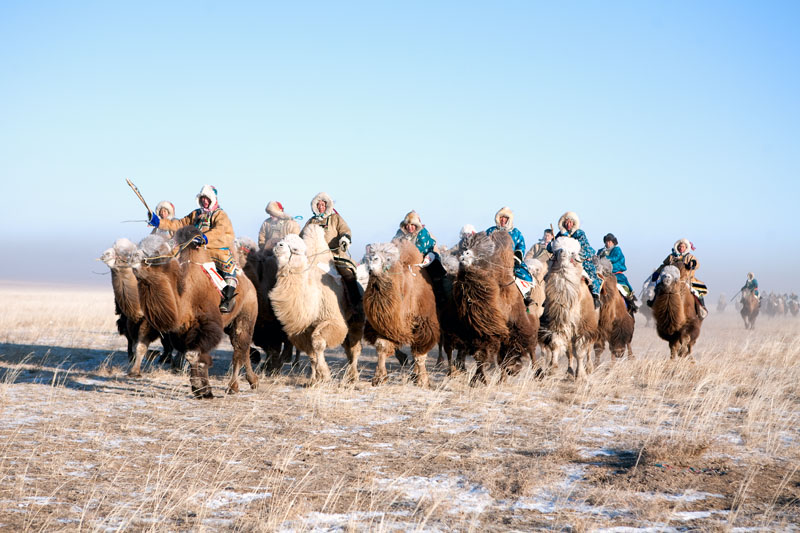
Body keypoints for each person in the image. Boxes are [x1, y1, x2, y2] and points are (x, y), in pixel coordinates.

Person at [148, 185, 239, 313]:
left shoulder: (220, 214)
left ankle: (228, 297)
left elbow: (220, 230)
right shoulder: (196, 213)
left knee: (227, 265)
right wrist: (159, 223)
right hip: (195, 247)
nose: (204, 201)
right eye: (202, 198)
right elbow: (179, 224)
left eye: (206, 199)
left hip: (215, 246)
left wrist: (204, 238)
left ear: (212, 199)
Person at [302, 192, 361, 309]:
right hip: (313, 257)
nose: (320, 207)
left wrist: (345, 239)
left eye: (322, 204)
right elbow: (302, 236)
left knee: (348, 274)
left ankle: (356, 306)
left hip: (334, 255)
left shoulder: (335, 218)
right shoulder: (311, 222)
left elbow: (345, 230)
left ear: (327, 206)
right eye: (318, 205)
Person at [549, 211, 602, 309]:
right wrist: (553, 243)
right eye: (566, 222)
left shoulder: (579, 233)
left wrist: (579, 256)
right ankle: (548, 300)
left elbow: (586, 247)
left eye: (570, 222)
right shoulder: (560, 234)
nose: (568, 224)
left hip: (576, 260)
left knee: (590, 272)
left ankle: (595, 296)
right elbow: (551, 247)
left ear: (574, 223)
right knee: (548, 276)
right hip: (562, 260)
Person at [485, 206, 533, 306]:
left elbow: (521, 246)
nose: (503, 220)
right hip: (493, 261)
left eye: (505, 218)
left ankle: (525, 296)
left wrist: (516, 258)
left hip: (511, 261)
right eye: (501, 218)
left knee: (524, 276)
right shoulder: (490, 231)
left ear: (509, 219)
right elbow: (484, 244)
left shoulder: (516, 232)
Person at [394, 210, 447, 298]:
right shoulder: (400, 233)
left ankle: (440, 293)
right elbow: (394, 243)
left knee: (433, 266)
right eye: (407, 225)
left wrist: (409, 252)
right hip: (403, 258)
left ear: (416, 225)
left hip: (423, 255)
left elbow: (422, 247)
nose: (409, 227)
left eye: (412, 225)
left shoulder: (422, 232)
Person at [649, 238, 707, 317]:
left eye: (683, 247)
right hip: (672, 280)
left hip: (686, 280)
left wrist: (692, 263)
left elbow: (697, 264)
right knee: (658, 287)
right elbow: (664, 265)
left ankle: (701, 308)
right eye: (679, 246)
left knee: (697, 292)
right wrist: (657, 272)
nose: (681, 248)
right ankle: (653, 303)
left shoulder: (690, 256)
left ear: (686, 248)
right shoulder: (671, 256)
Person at [597, 233, 638, 312]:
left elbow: (615, 258)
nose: (607, 243)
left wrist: (604, 258)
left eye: (609, 241)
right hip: (601, 273)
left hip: (615, 273)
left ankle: (631, 303)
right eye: (606, 241)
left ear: (613, 242)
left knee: (622, 288)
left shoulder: (617, 250)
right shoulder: (601, 251)